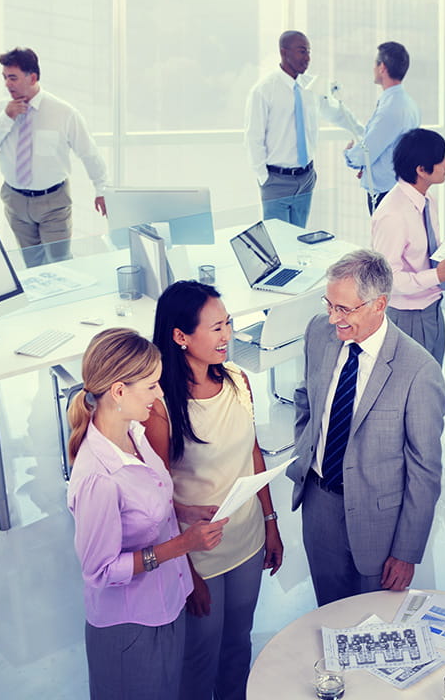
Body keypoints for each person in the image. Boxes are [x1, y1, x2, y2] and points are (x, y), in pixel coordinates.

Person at [67, 328, 227, 700]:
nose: (160, 394)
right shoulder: (98, 478)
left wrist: (186, 512)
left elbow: (150, 506)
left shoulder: (134, 434)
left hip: (167, 603)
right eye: (152, 385)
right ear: (119, 391)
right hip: (131, 627)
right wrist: (182, 545)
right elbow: (101, 572)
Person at [145, 281, 283, 700]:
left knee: (238, 644)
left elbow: (253, 451)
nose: (227, 336)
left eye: (229, 324)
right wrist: (186, 571)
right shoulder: (159, 405)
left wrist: (270, 523)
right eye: (216, 328)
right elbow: (155, 495)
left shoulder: (239, 379)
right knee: (199, 656)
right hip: (197, 554)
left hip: (247, 540)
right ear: (180, 336)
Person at [286, 249, 445, 606]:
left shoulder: (419, 372)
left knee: (375, 625)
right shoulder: (318, 332)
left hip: (380, 524)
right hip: (319, 505)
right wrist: (306, 451)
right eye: (329, 304)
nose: (332, 319)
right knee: (328, 612)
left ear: (379, 304)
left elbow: (425, 471)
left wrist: (407, 551)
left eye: (344, 309)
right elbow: (305, 397)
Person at [0, 46, 108, 266]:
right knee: (33, 265)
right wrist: (6, 117)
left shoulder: (64, 112)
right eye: (5, 77)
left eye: (13, 78)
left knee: (60, 262)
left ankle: (65, 300)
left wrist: (101, 189)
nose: (7, 83)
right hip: (14, 200)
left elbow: (89, 152)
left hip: (53, 202)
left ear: (33, 77)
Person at [244, 30, 360, 228]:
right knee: (279, 243)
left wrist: (363, 132)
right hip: (276, 181)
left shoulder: (312, 87)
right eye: (302, 51)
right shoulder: (264, 90)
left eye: (309, 52)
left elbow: (335, 113)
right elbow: (253, 138)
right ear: (284, 52)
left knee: (299, 238)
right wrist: (265, 178)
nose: (307, 58)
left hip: (306, 178)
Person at [370, 128, 445, 364]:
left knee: (432, 380)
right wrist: (437, 275)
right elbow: (388, 279)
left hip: (433, 306)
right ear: (421, 170)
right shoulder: (392, 215)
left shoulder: (427, 200)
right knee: (412, 390)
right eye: (441, 159)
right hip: (408, 316)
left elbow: (426, 248)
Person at [343, 41, 421, 213]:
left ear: (382, 67)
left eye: (374, 64)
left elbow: (367, 151)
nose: (373, 68)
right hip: (398, 186)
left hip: (386, 193)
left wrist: (350, 155)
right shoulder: (408, 104)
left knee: (385, 239)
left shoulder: (390, 109)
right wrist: (367, 168)